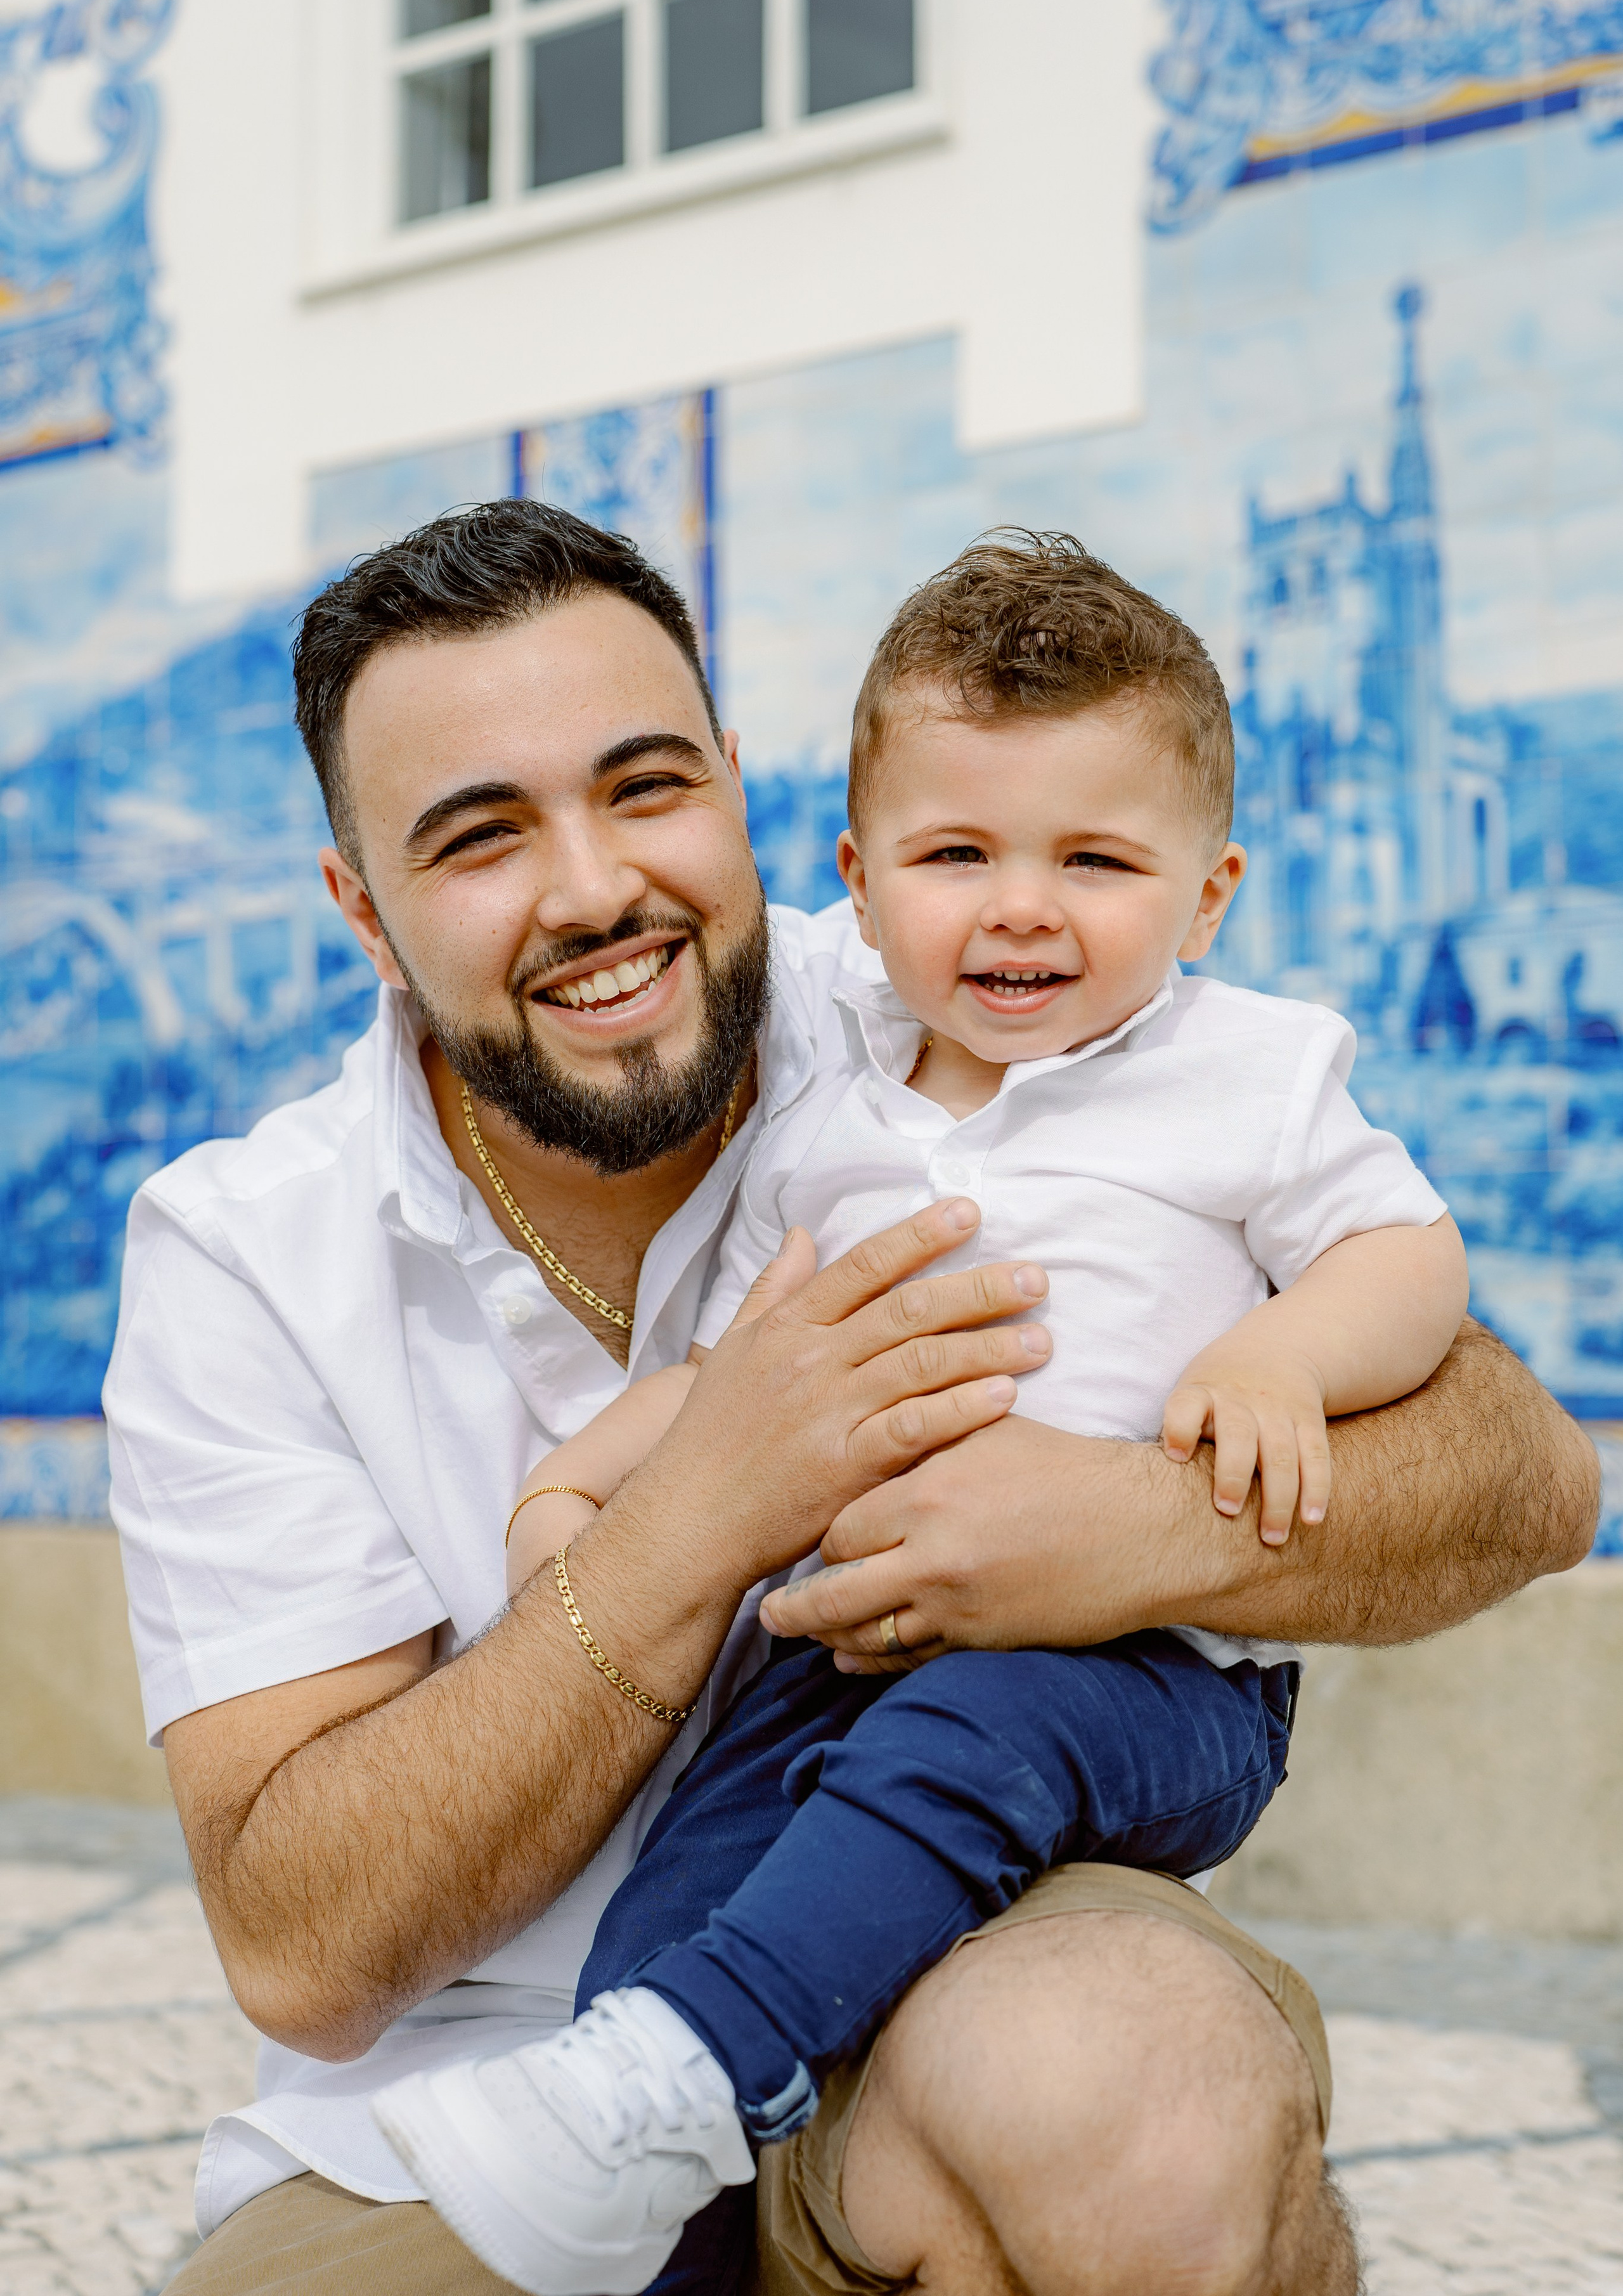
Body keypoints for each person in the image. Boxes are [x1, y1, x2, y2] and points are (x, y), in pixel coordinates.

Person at [103, 501, 1596, 2296]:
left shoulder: (964, 997)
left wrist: (1117, 1528)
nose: (593, 890)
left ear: (739, 786)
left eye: (647, 787)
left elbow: (1519, 1468)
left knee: (1128, 2100)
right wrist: (693, 1514)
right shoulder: (245, 1251)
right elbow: (307, 1944)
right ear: (363, 905)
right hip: (456, 2096)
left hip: (971, 1921)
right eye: (481, 837)